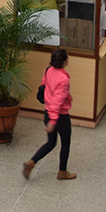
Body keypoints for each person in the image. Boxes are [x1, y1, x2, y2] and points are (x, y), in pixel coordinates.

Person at [23, 48, 75, 181]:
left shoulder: (48, 70)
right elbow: (58, 101)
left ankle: (31, 162)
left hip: (47, 111)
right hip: (60, 116)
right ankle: (62, 172)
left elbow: (43, 86)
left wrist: (50, 117)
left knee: (51, 143)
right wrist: (53, 121)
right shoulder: (63, 79)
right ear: (64, 62)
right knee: (65, 143)